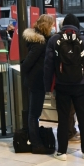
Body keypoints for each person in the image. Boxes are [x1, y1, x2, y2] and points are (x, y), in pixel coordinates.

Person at [44, 14, 84, 160]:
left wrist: (48, 87)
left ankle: (62, 152)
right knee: (83, 119)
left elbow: (48, 66)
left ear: (63, 25)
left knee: (63, 118)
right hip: (80, 87)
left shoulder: (54, 40)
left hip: (61, 86)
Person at [22, 14, 56, 155]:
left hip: (36, 81)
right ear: (46, 26)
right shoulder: (40, 43)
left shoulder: (42, 41)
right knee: (34, 113)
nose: (53, 27)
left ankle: (35, 140)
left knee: (34, 112)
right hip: (37, 82)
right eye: (52, 25)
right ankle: (36, 144)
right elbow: (27, 63)